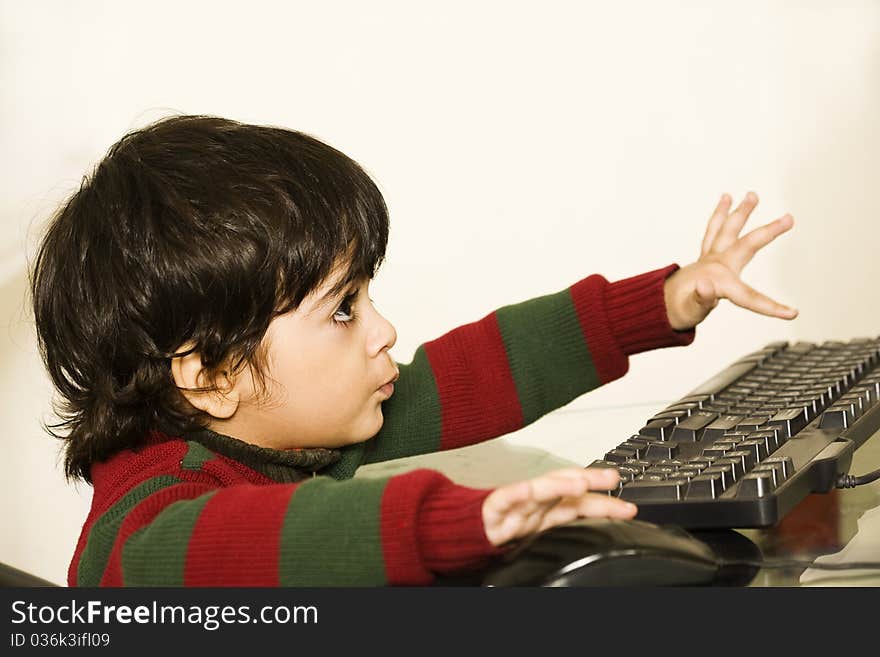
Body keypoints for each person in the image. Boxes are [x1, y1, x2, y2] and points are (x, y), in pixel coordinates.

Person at [30, 115, 797, 586]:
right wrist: (453, 524)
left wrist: (659, 304)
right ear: (212, 374)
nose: (384, 332)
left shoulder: (284, 429)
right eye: (343, 310)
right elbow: (274, 536)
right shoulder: (147, 532)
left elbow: (472, 371)